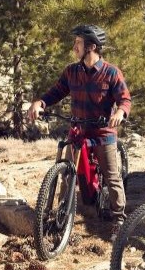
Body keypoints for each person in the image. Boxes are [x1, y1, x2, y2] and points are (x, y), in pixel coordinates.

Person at [27, 25, 132, 241]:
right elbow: (56, 92)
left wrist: (121, 111)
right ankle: (61, 216)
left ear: (91, 47)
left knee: (112, 177)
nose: (74, 46)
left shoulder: (111, 73)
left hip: (103, 132)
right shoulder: (71, 71)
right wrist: (41, 103)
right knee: (67, 174)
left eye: (78, 42)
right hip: (78, 131)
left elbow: (124, 99)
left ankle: (119, 220)